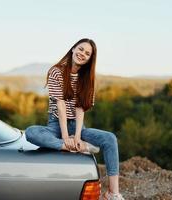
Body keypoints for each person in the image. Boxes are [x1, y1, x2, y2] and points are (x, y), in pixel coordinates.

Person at [25, 38, 124, 200]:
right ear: (73, 49)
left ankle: (113, 193)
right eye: (80, 49)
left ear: (90, 59)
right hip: (56, 125)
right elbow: (61, 105)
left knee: (110, 139)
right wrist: (65, 137)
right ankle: (75, 146)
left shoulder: (87, 78)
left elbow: (80, 108)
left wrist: (77, 136)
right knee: (31, 132)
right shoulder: (56, 71)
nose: (82, 54)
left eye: (87, 53)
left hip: (78, 126)